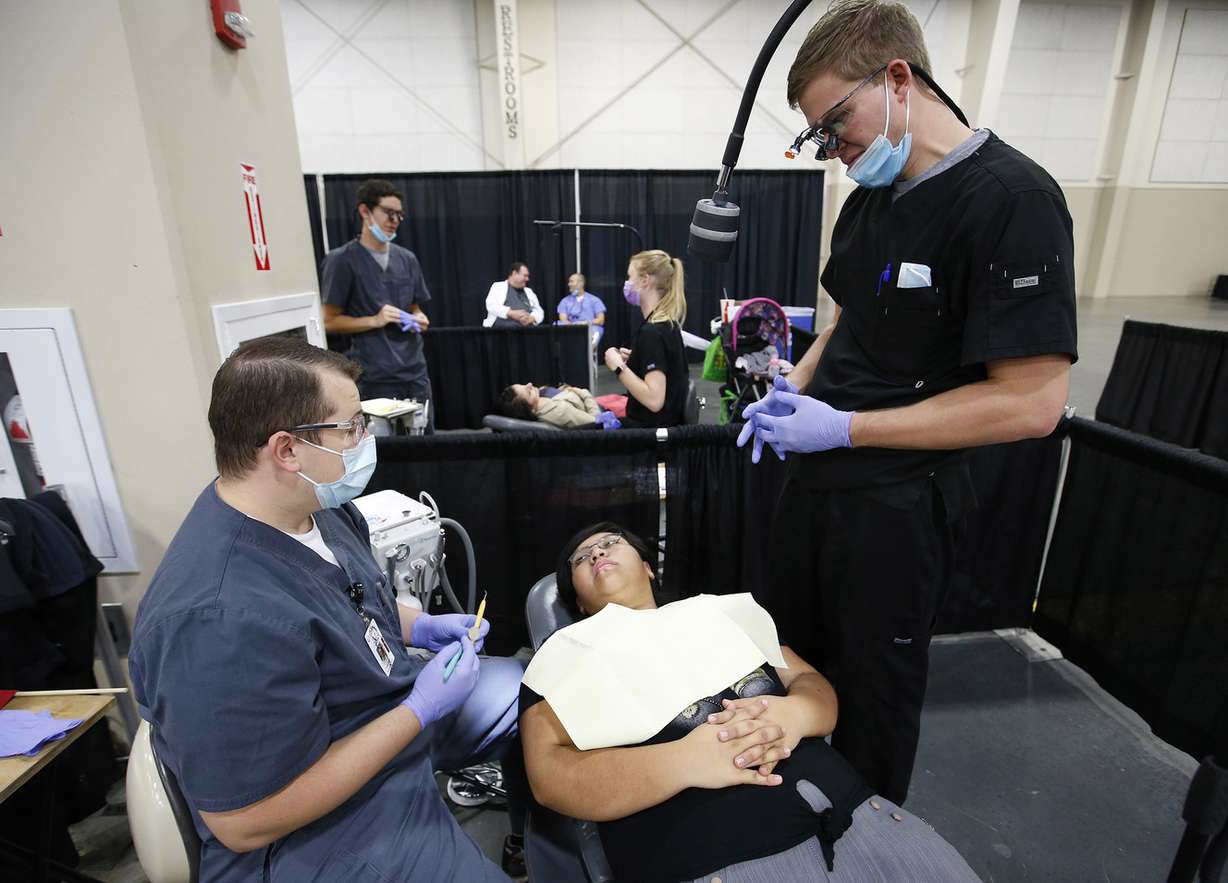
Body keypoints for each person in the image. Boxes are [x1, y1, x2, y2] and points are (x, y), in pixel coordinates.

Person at [739, 1, 1077, 807]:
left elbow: (1032, 403)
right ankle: (778, 826)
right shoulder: (870, 203)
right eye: (819, 136)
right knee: (790, 667)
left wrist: (849, 427)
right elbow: (852, 308)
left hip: (896, 511)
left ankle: (864, 840)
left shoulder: (1011, 200)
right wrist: (802, 380)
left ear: (898, 79)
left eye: (836, 122)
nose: (835, 148)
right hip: (818, 491)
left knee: (871, 701)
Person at [129, 337, 527, 882]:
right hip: (318, 835)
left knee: (532, 695)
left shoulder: (317, 508)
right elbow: (245, 822)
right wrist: (419, 710)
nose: (364, 440)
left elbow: (348, 600)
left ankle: (537, 842)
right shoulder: (216, 618)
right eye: (351, 427)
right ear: (287, 450)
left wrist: (423, 625)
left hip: (385, 727)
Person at [519, 523, 980, 882]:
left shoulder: (721, 613)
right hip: (712, 859)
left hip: (863, 819)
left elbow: (809, 682)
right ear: (576, 601)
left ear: (648, 567)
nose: (597, 552)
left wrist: (796, 712)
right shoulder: (563, 658)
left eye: (612, 542)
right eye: (582, 557)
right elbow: (548, 776)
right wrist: (682, 761)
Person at [320, 179, 435, 432]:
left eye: (399, 215)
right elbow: (327, 322)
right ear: (365, 211)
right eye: (388, 212)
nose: (394, 220)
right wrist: (375, 320)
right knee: (383, 455)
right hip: (374, 376)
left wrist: (419, 317)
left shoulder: (407, 260)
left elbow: (414, 306)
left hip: (414, 374)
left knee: (425, 446)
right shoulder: (342, 261)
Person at [602, 249, 689, 428]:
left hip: (647, 436)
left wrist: (618, 366)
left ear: (645, 280)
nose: (627, 283)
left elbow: (654, 400)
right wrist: (636, 359)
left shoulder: (652, 332)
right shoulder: (666, 325)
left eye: (630, 276)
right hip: (661, 428)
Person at [496, 382, 619, 430]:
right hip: (600, 409)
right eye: (528, 392)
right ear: (530, 409)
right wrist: (584, 393)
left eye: (524, 385)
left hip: (590, 402)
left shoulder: (540, 399)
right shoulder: (560, 412)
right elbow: (597, 422)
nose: (530, 384)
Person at [484, 262, 543, 328]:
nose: (527, 279)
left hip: (527, 331)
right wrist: (511, 313)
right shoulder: (498, 287)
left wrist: (531, 318)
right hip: (502, 331)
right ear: (514, 273)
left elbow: (539, 311)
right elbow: (491, 306)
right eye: (525, 276)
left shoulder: (529, 291)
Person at [556, 273, 606, 345]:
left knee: (595, 330)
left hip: (589, 327)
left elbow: (601, 320)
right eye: (569, 282)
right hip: (571, 328)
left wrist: (585, 323)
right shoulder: (565, 301)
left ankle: (590, 348)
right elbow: (563, 319)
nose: (569, 284)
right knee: (557, 324)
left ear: (581, 283)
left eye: (571, 281)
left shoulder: (594, 300)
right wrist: (574, 326)